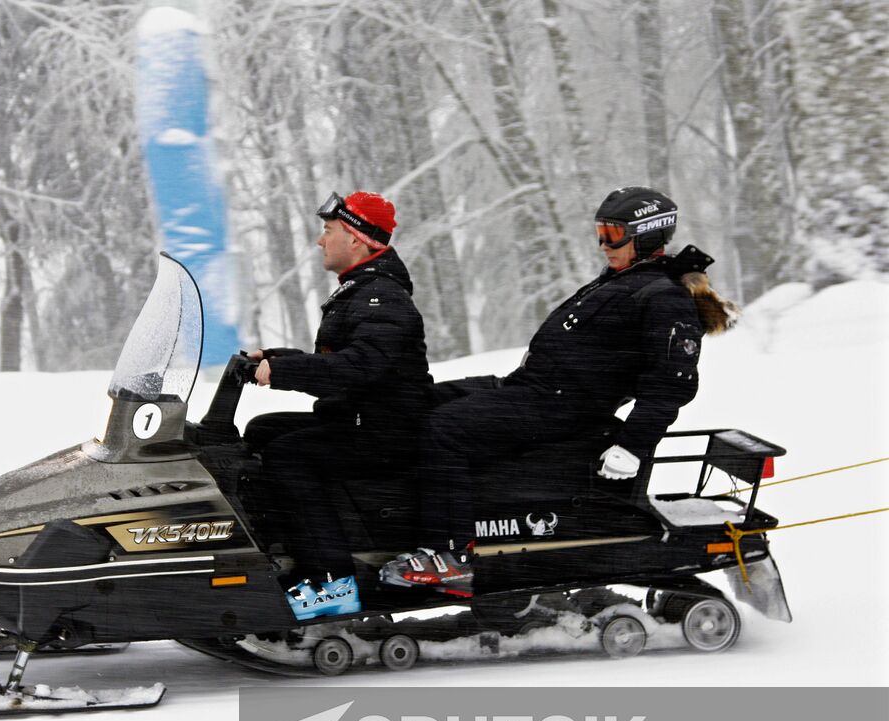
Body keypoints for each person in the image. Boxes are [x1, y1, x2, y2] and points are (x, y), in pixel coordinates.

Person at [383, 186, 738, 591]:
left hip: (560, 409)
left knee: (445, 429)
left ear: (647, 236)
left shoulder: (663, 298)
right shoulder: (624, 281)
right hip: (529, 390)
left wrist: (634, 446)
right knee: (416, 402)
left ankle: (449, 557)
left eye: (613, 234)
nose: (603, 245)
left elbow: (671, 382)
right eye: (601, 232)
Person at [246, 191, 434, 620]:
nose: (319, 241)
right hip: (363, 418)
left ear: (357, 239)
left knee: (287, 458)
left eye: (328, 231)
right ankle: (281, 548)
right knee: (262, 430)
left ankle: (331, 585)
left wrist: (286, 372)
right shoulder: (363, 290)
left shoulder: (381, 296)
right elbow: (342, 361)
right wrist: (278, 359)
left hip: (387, 432)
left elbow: (362, 366)